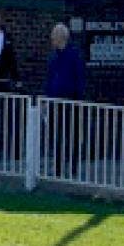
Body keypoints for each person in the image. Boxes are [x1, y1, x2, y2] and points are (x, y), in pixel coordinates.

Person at [45, 22, 88, 176]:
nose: (52, 38)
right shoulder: (53, 57)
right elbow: (49, 79)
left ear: (61, 37)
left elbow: (80, 78)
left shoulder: (74, 55)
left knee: (73, 135)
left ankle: (73, 167)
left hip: (71, 101)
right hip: (55, 101)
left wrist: (79, 98)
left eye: (54, 35)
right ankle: (57, 167)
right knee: (56, 135)